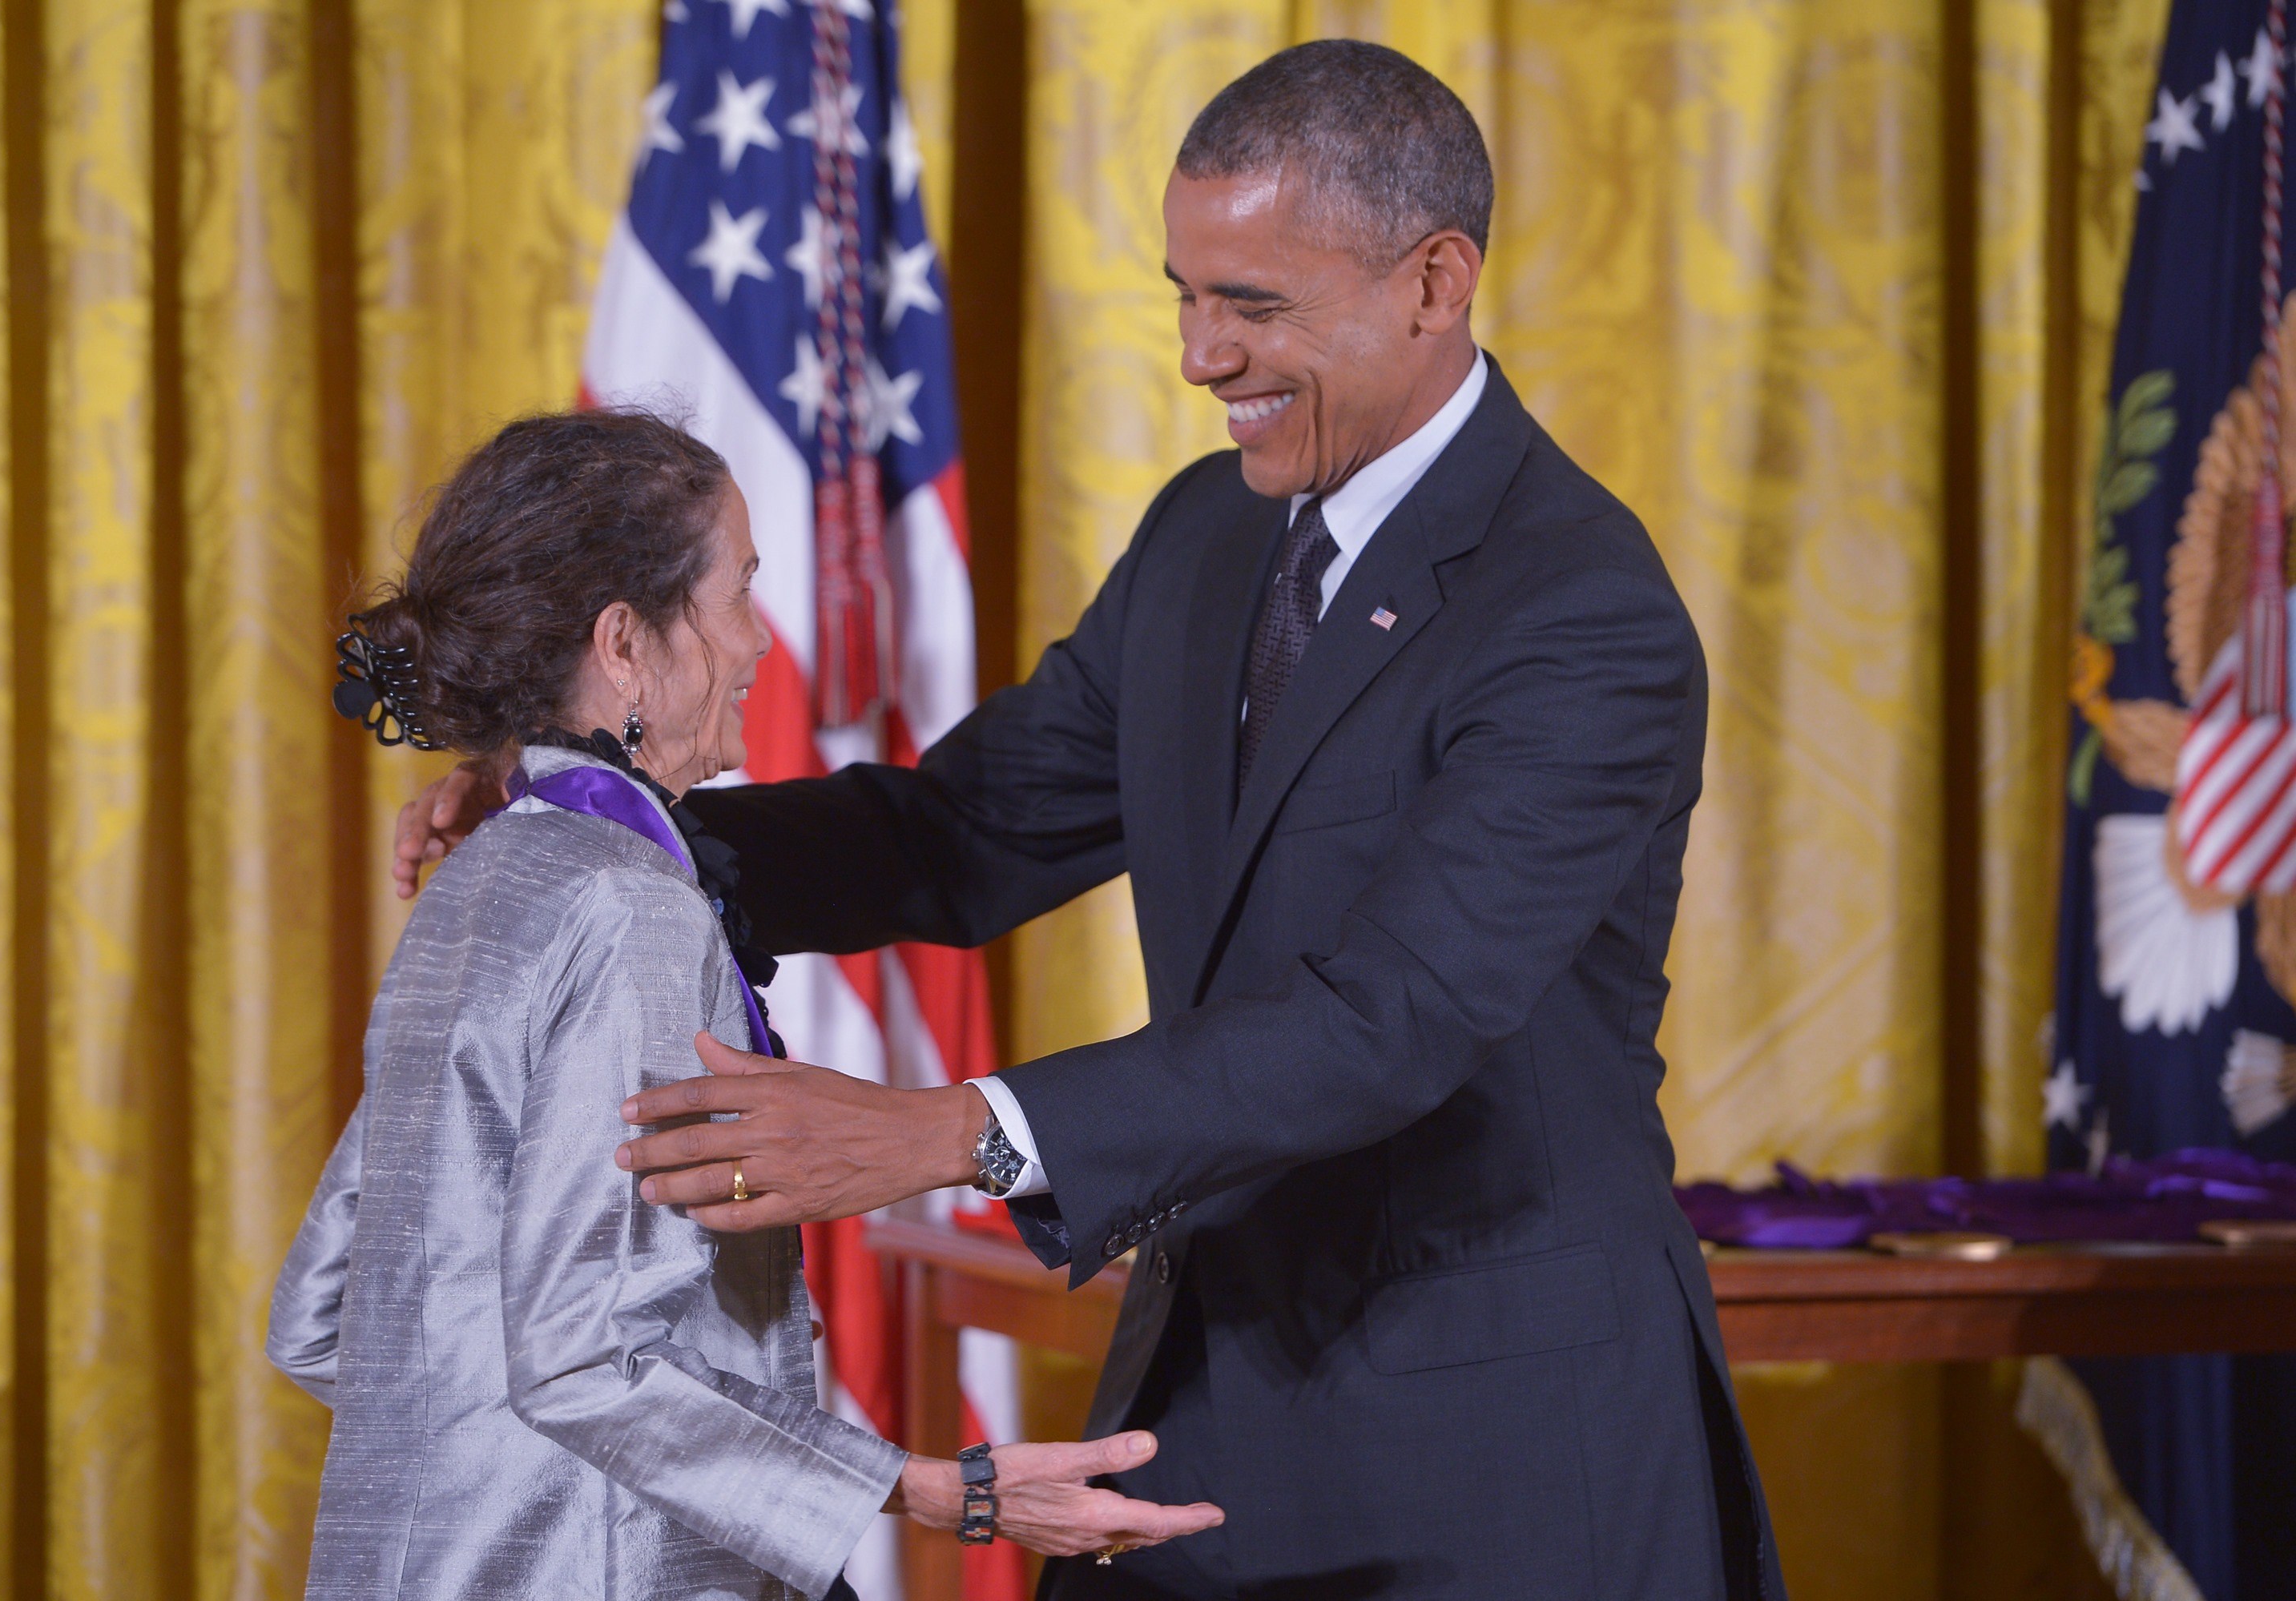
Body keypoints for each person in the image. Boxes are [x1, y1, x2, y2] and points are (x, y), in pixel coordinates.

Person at [401, 42, 1784, 1601]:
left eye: (1253, 306)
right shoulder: (1210, 533)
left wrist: (956, 1129)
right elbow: (963, 827)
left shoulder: (1582, 609)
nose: (1201, 355)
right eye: (1187, 295)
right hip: (1209, 1404)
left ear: (1434, 283)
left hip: (1506, 1451)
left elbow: (1390, 1018)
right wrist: (594, 821)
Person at [271, 410, 1221, 1601]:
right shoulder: (628, 909)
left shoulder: (481, 883)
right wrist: (942, 1490)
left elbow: (322, 1315)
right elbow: (580, 1363)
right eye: (738, 594)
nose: (762, 644)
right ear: (625, 644)